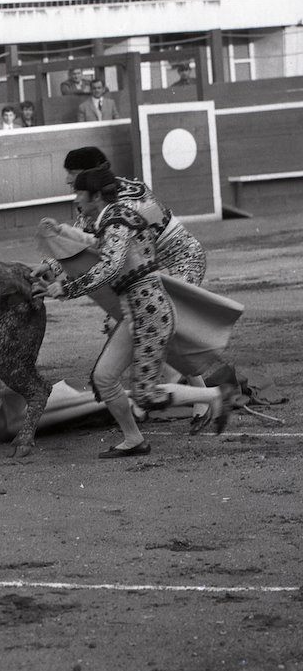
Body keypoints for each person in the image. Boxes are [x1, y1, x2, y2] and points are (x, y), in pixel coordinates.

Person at [36, 167, 227, 458]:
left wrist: (65, 288)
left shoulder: (117, 221)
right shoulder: (115, 218)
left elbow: (109, 266)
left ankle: (217, 395)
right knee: (104, 378)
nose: (75, 199)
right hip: (138, 311)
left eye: (79, 193)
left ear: (96, 197)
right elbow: (94, 243)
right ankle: (134, 439)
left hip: (150, 313)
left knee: (146, 394)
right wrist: (62, 232)